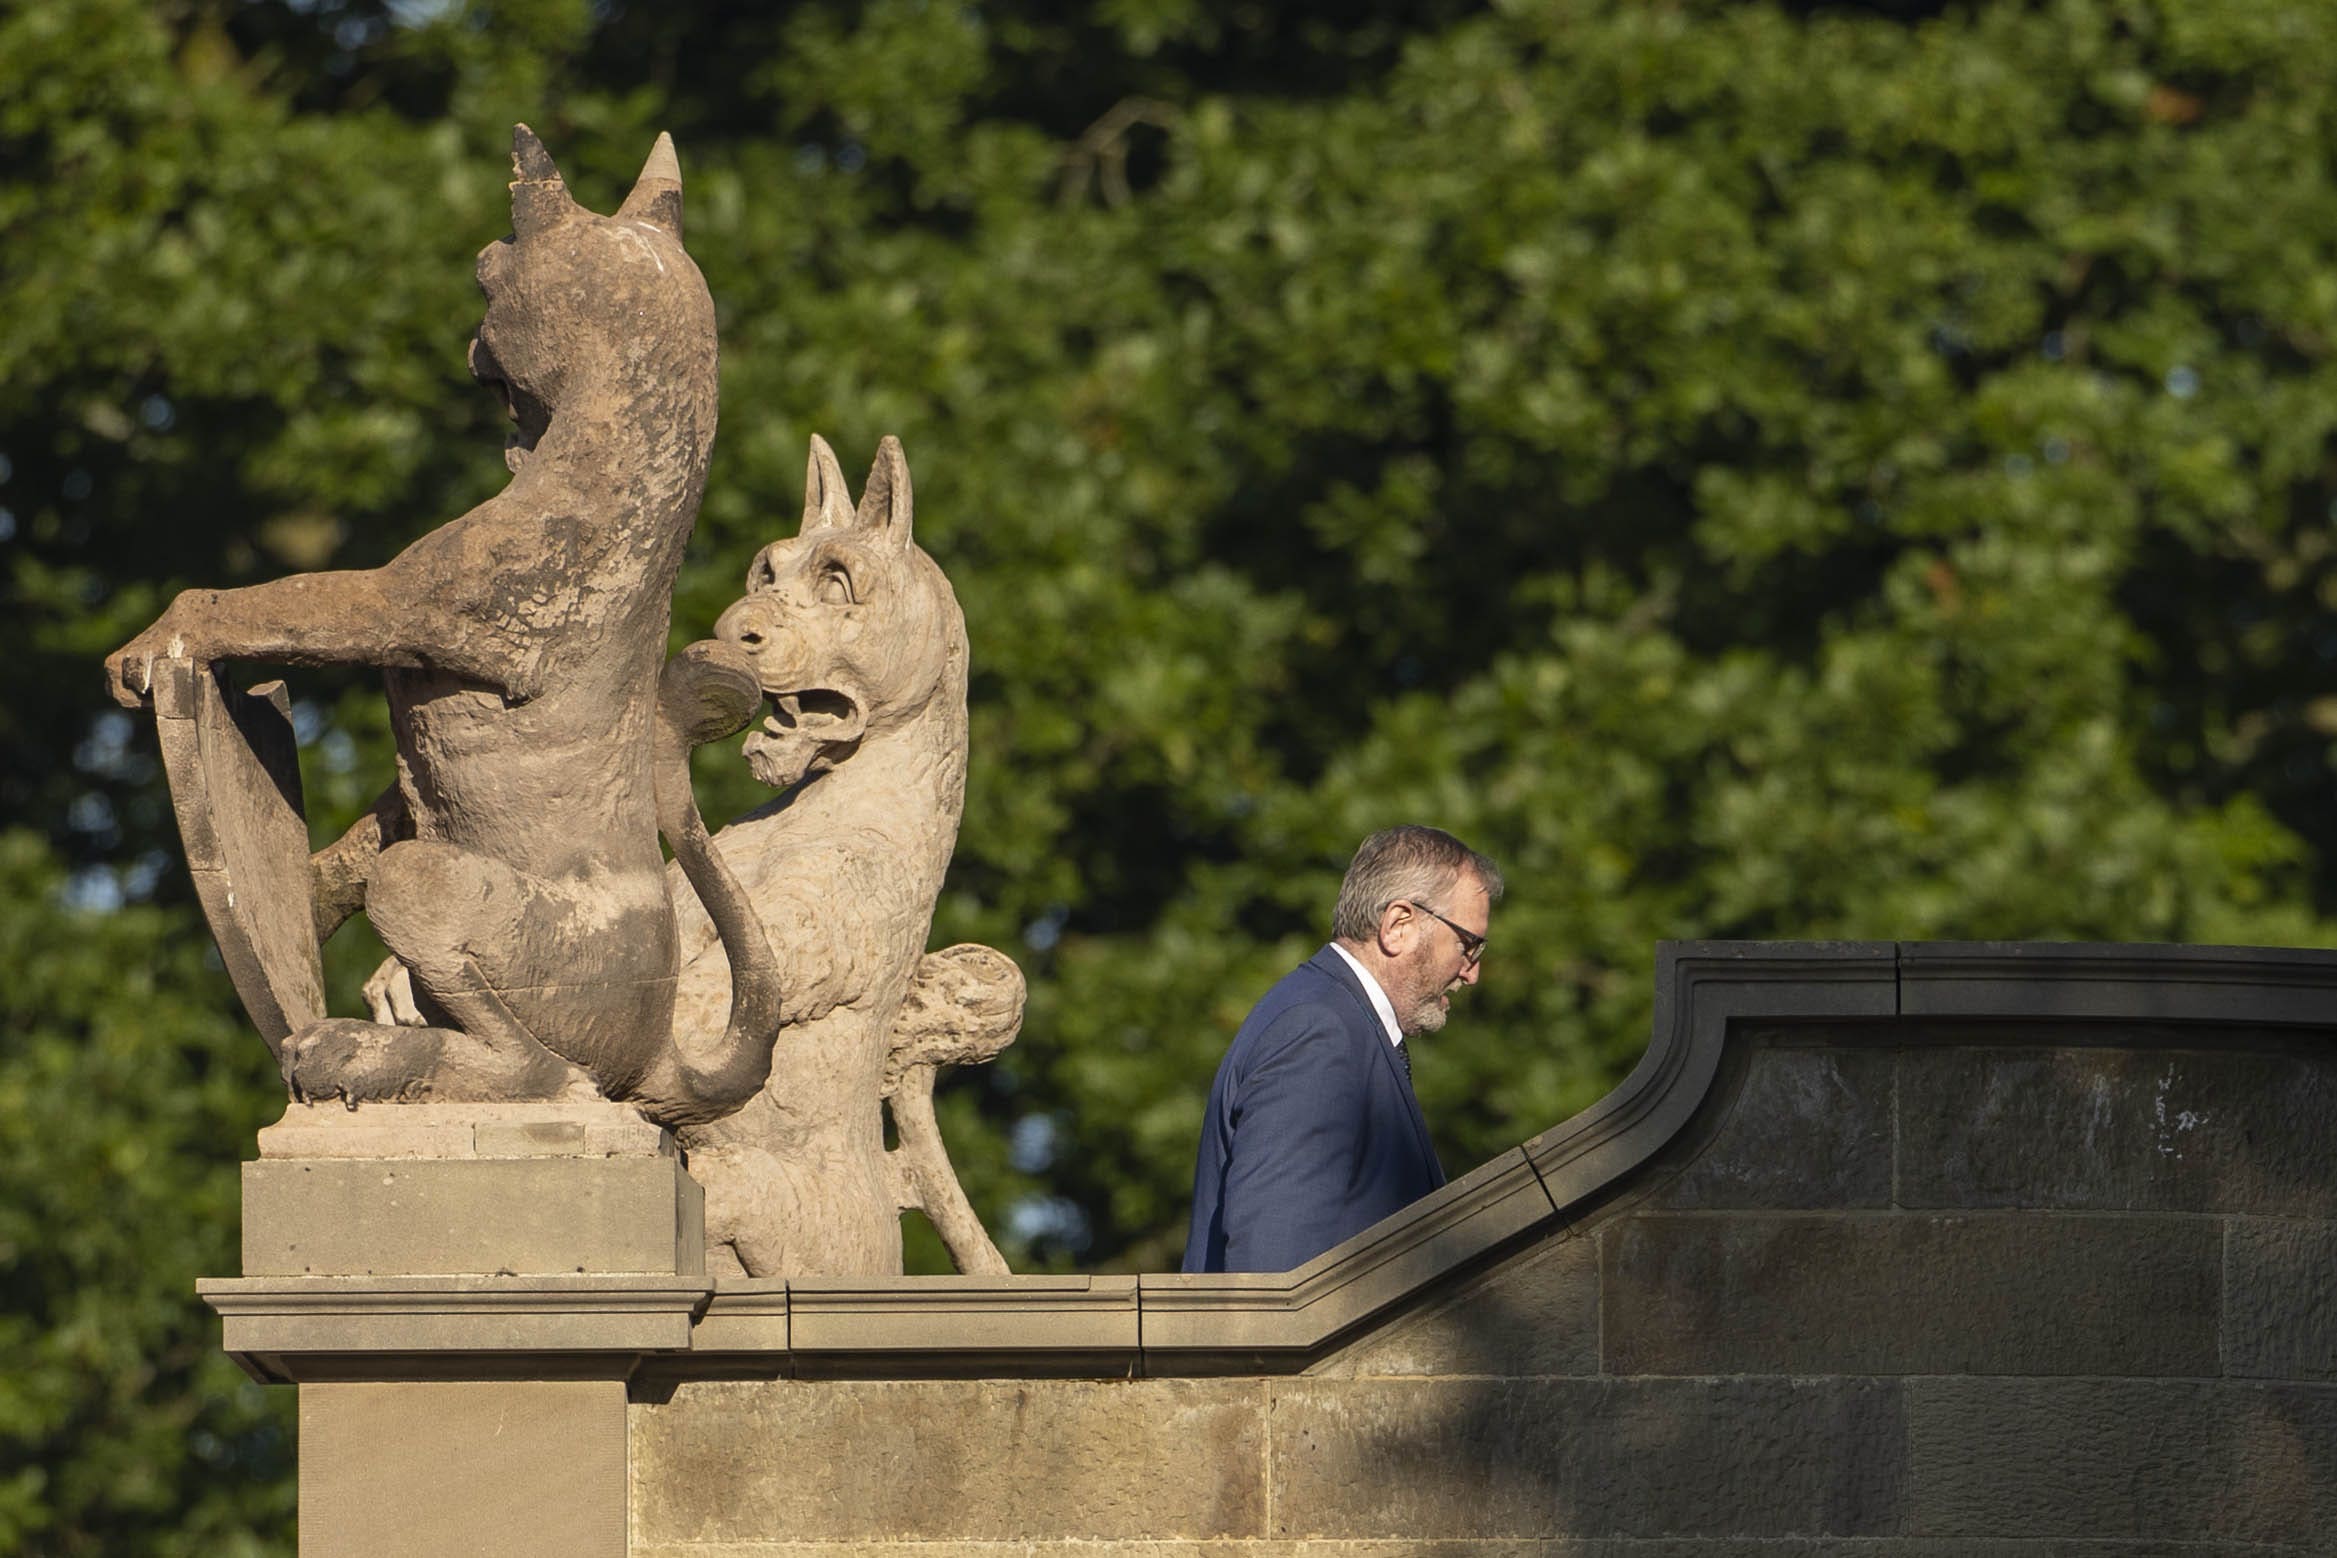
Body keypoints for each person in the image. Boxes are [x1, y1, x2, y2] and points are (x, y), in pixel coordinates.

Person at [1182, 824, 1502, 1273]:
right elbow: (1273, 1275)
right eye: (1468, 945)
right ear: (1398, 926)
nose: (1472, 973)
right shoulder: (1319, 1032)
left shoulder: (1336, 1021)